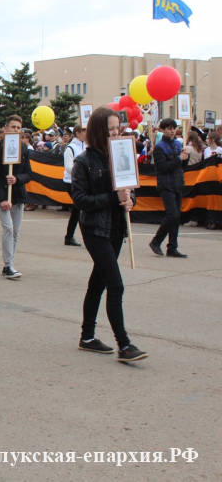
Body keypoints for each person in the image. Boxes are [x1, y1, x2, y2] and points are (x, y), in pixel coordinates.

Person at [71, 106, 147, 362]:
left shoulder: (121, 154)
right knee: (116, 285)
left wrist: (130, 200)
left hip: (116, 227)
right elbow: (80, 199)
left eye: (117, 128)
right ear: (98, 131)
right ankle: (124, 345)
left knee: (98, 283)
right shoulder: (83, 161)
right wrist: (113, 198)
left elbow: (129, 190)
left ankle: (87, 337)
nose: (115, 133)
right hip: (95, 229)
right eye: (110, 129)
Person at [0, 115, 31, 280]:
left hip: (18, 195)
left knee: (15, 232)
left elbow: (29, 174)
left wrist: (17, 179)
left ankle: (10, 263)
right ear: (5, 129)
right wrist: (2, 199)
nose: (16, 130)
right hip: (3, 195)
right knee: (8, 228)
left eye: (18, 128)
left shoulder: (24, 149)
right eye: (13, 127)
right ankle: (8, 265)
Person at [149, 118, 189, 258]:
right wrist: (179, 159)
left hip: (177, 183)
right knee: (171, 215)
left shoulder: (178, 144)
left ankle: (172, 247)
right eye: (169, 128)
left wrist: (186, 156)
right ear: (162, 130)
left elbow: (182, 166)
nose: (172, 131)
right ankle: (156, 241)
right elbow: (163, 168)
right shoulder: (159, 147)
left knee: (176, 217)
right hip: (166, 184)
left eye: (173, 128)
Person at [63, 125, 86, 247]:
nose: (87, 134)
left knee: (78, 210)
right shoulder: (70, 148)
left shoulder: (85, 146)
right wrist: (83, 170)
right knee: (79, 208)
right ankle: (84, 237)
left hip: (82, 182)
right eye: (84, 131)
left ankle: (69, 236)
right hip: (71, 182)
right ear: (78, 133)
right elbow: (68, 168)